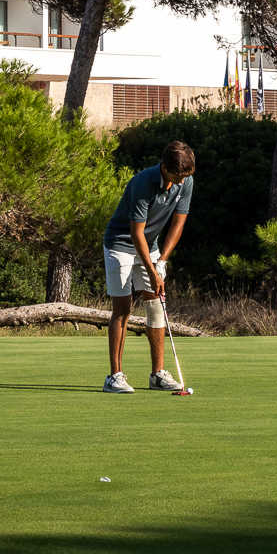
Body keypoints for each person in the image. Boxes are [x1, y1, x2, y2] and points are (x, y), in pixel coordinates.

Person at [101, 140, 195, 393]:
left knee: (156, 305)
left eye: (185, 177)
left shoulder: (186, 181)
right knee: (122, 308)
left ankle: (157, 375)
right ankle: (115, 377)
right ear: (164, 167)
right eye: (176, 177)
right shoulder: (143, 183)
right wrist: (152, 271)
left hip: (150, 246)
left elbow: (178, 223)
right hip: (120, 244)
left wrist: (162, 261)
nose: (180, 183)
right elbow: (136, 233)